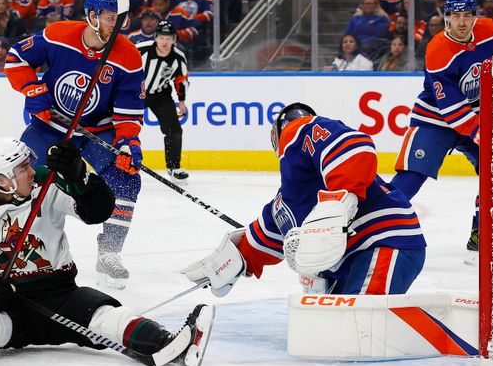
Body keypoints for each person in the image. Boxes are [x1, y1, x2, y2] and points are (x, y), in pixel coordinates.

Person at [0, 137, 213, 366]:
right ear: (1, 180)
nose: (30, 170)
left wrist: (80, 179)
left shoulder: (47, 184)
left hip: (63, 297)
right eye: (21, 167)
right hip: (11, 303)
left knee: (108, 317)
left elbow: (97, 212)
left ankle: (172, 345)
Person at [181, 103, 426, 296]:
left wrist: (337, 200)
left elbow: (354, 146)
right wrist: (229, 262)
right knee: (332, 328)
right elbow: (261, 242)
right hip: (356, 261)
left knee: (359, 328)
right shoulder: (283, 205)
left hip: (385, 243)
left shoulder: (297, 131)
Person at [4, 0, 145, 289]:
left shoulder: (129, 56)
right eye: (110, 18)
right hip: (50, 125)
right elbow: (16, 58)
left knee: (127, 179)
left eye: (121, 19)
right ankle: (17, 248)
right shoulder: (58, 34)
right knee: (20, 179)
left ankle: (110, 251)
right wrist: (33, 89)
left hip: (97, 131)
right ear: (92, 16)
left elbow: (129, 114)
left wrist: (127, 142)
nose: (117, 26)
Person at [390, 0, 493, 263]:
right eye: (456, 16)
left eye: (467, 15)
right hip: (435, 118)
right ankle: (373, 227)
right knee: (411, 178)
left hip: (476, 115)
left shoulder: (489, 30)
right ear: (446, 18)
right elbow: (451, 108)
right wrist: (481, 131)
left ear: (475, 16)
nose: (462, 22)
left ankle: (481, 235)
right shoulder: (437, 51)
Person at [135, 20, 190, 183]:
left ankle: (173, 167)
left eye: (169, 38)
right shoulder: (141, 50)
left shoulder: (178, 57)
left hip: (161, 95)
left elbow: (181, 79)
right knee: (124, 125)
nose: (165, 42)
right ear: (156, 38)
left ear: (174, 40)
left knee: (174, 130)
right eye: (162, 38)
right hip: (135, 93)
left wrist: (181, 101)